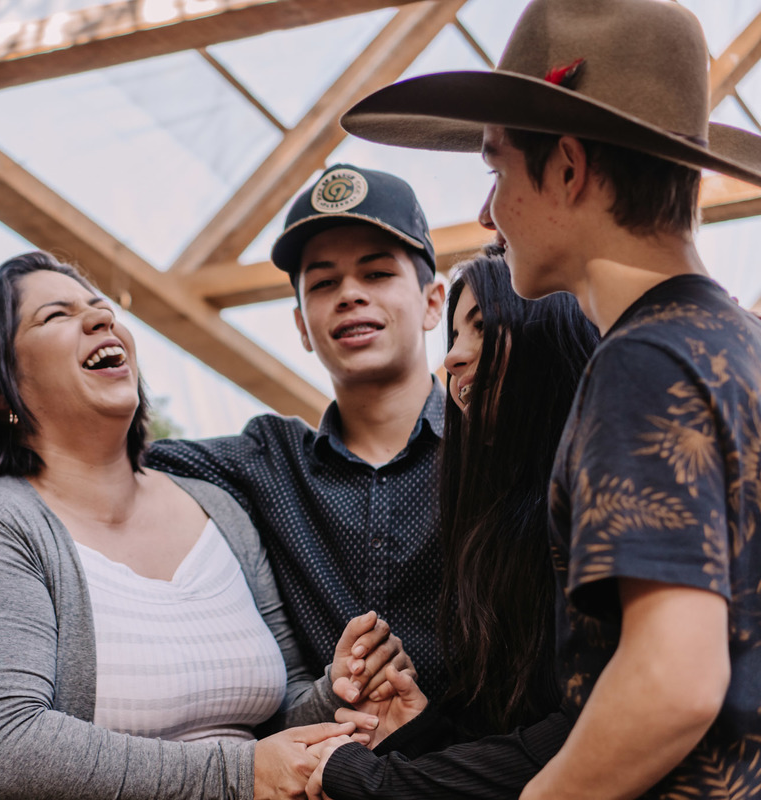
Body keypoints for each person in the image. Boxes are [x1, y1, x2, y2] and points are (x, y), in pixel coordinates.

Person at [321, 0, 761, 796]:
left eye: (495, 170)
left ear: (566, 167)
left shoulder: (643, 362)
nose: (486, 213)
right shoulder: (734, 347)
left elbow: (674, 682)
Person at [0, 251, 412, 800]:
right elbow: (3, 748)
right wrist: (239, 774)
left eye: (100, 307)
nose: (101, 319)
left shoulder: (215, 506)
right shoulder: (3, 520)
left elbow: (280, 717)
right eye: (56, 316)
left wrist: (340, 694)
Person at [298, 251, 598, 799]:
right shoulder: (499, 523)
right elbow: (518, 737)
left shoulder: (606, 494)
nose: (455, 359)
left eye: (482, 329)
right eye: (455, 340)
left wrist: (371, 780)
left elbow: (589, 730)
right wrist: (421, 732)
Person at [148, 165, 450, 700]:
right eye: (324, 282)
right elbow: (108, 460)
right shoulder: (270, 461)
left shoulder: (496, 449)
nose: (350, 294)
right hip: (322, 773)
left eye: (377, 274)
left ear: (431, 303)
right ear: (301, 327)